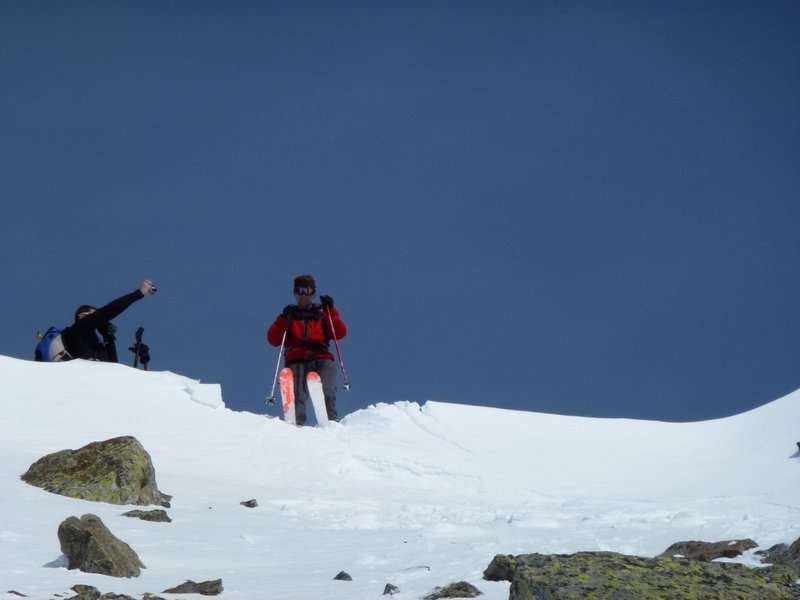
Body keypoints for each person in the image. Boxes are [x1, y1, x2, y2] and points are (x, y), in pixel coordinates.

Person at [267, 274, 347, 425]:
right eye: (300, 291)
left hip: (322, 357)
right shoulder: (290, 316)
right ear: (295, 293)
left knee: (328, 390)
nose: (304, 295)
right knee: (298, 394)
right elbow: (273, 340)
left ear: (313, 293)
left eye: (308, 291)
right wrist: (284, 318)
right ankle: (297, 420)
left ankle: (331, 419)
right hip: (297, 359)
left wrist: (331, 311)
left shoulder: (321, 314)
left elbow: (340, 333)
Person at [60, 280, 157, 362]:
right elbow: (110, 310)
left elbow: (112, 368)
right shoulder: (78, 329)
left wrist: (109, 338)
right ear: (82, 316)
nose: (100, 322)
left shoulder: (95, 346)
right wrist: (139, 293)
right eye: (93, 315)